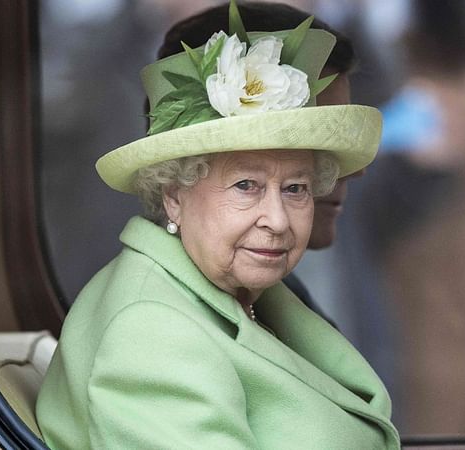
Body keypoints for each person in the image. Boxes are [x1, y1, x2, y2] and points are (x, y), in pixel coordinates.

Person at [36, 1, 400, 448]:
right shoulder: (149, 331)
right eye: (246, 185)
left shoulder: (254, 293)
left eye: (296, 188)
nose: (278, 220)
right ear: (173, 193)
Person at [155, 2, 364, 322]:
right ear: (174, 189)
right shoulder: (158, 323)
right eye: (246, 183)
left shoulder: (273, 294)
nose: (355, 170)